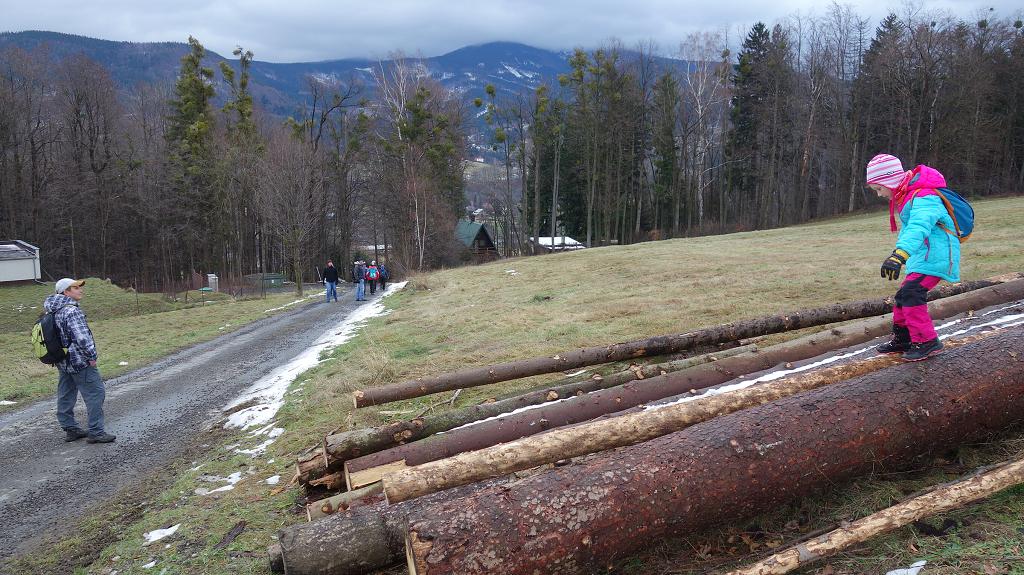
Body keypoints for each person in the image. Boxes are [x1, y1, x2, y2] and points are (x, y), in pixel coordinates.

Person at [867, 153, 961, 362]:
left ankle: (927, 341)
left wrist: (899, 255)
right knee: (903, 295)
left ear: (890, 182)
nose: (879, 195)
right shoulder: (909, 196)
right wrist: (900, 254)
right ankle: (904, 339)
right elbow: (910, 231)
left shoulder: (924, 197)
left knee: (912, 293)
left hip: (937, 256)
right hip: (924, 256)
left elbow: (919, 227)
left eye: (879, 189)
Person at [43, 278, 115, 443]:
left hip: (63, 361)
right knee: (96, 392)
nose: (80, 290)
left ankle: (70, 428)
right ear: (66, 292)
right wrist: (91, 356)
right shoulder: (71, 311)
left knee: (66, 394)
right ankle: (96, 432)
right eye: (76, 287)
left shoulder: (52, 310)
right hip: (79, 361)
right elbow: (82, 338)